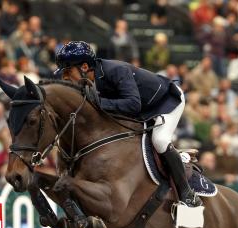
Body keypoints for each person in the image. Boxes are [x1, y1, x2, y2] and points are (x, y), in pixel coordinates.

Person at [54, 41, 201, 208]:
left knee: (159, 140)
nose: (64, 77)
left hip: (165, 102)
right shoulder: (87, 82)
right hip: (142, 108)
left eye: (67, 71)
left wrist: (98, 103)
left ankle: (186, 193)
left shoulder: (116, 70)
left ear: (85, 67)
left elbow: (133, 104)